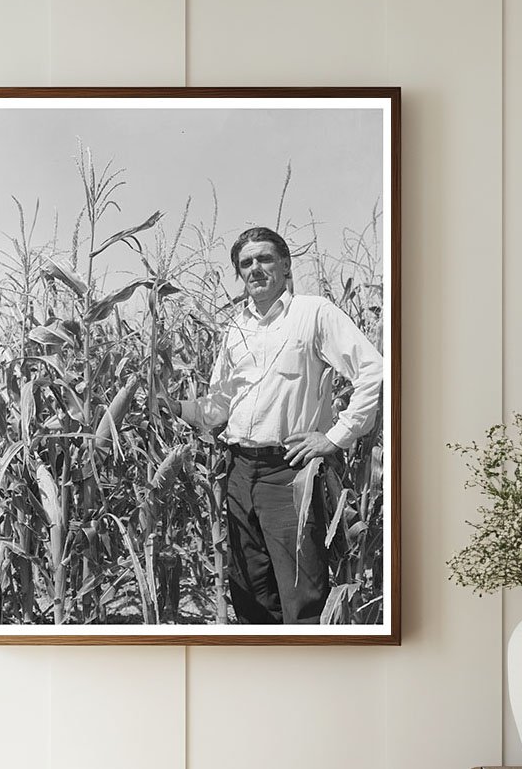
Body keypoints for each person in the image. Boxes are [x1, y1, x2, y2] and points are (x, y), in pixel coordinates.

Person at [162, 226, 384, 624]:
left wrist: (335, 437)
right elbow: (218, 407)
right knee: (250, 591)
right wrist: (170, 404)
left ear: (285, 265)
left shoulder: (314, 313)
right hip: (239, 472)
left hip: (289, 472)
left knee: (300, 594)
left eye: (264, 258)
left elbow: (373, 371)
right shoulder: (236, 330)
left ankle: (305, 676)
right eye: (246, 263)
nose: (255, 268)